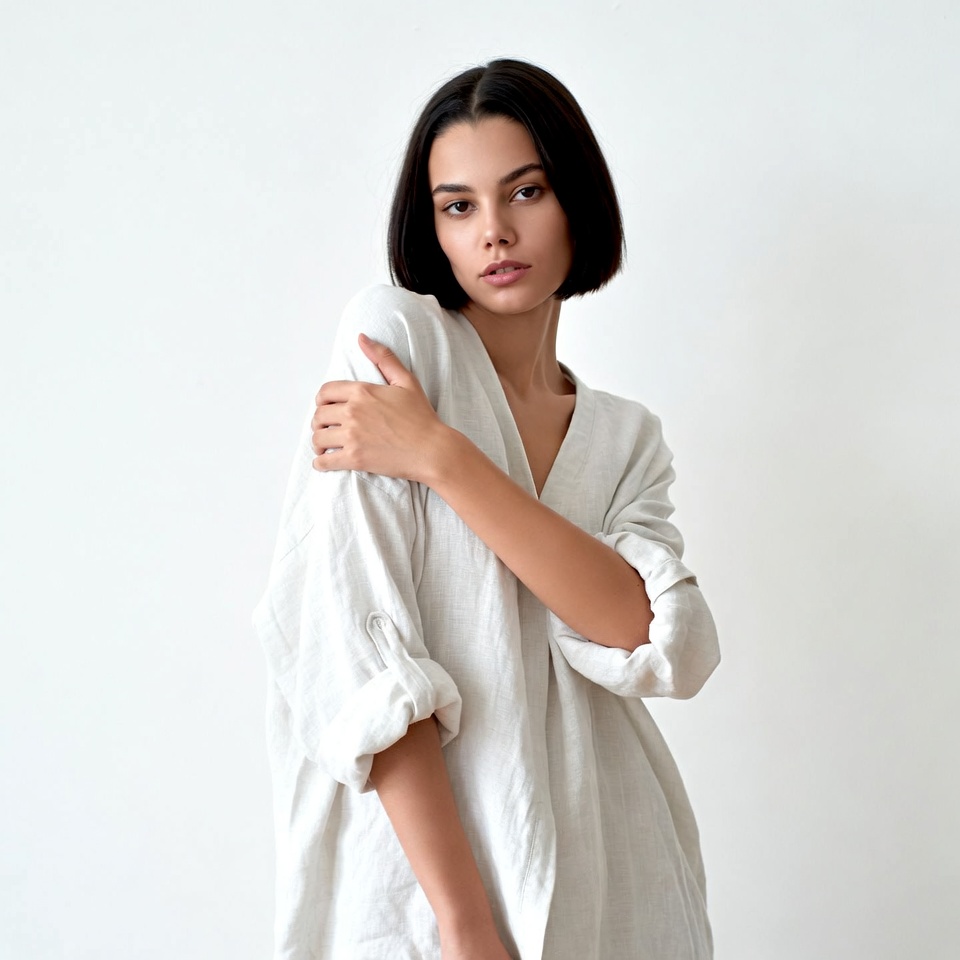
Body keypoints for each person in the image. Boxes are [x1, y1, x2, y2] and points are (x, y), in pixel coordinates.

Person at [254, 58, 721, 960]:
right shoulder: (395, 343)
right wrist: (467, 929)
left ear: (575, 199)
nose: (496, 232)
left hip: (614, 866)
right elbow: (358, 645)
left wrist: (443, 457)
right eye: (458, 205)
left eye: (526, 191)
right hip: (424, 888)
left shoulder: (625, 437)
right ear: (429, 226)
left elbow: (649, 635)